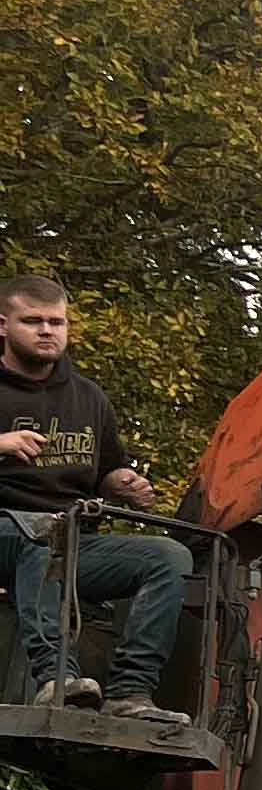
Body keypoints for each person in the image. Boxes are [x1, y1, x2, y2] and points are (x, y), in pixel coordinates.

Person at [0, 271, 187, 737]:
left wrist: (123, 483)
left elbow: (106, 470)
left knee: (169, 557)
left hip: (68, 541)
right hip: (6, 533)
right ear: (3, 325)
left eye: (57, 322)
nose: (47, 331)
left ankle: (130, 693)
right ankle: (55, 679)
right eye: (33, 321)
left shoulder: (88, 397)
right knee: (44, 534)